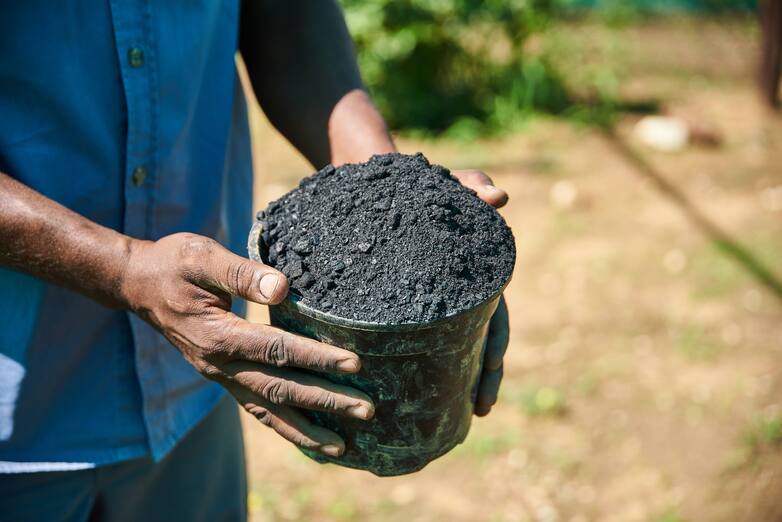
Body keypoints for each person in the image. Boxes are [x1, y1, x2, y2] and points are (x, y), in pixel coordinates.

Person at [0, 2, 510, 520]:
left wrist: (396, 191)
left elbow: (289, 20)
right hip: (21, 433)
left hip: (190, 403)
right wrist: (121, 267)